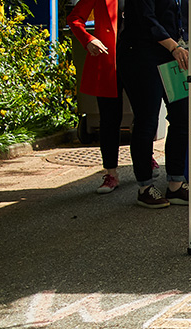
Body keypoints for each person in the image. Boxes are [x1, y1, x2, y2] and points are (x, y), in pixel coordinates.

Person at [117, 0, 191, 208]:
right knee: (147, 120)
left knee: (182, 117)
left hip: (173, 53)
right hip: (141, 54)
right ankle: (145, 187)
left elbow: (183, 18)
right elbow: (146, 19)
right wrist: (174, 47)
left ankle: (176, 183)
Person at [67, 0, 124, 194]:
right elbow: (74, 17)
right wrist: (88, 39)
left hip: (138, 60)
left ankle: (145, 158)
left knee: (145, 112)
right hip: (109, 61)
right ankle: (111, 173)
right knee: (109, 119)